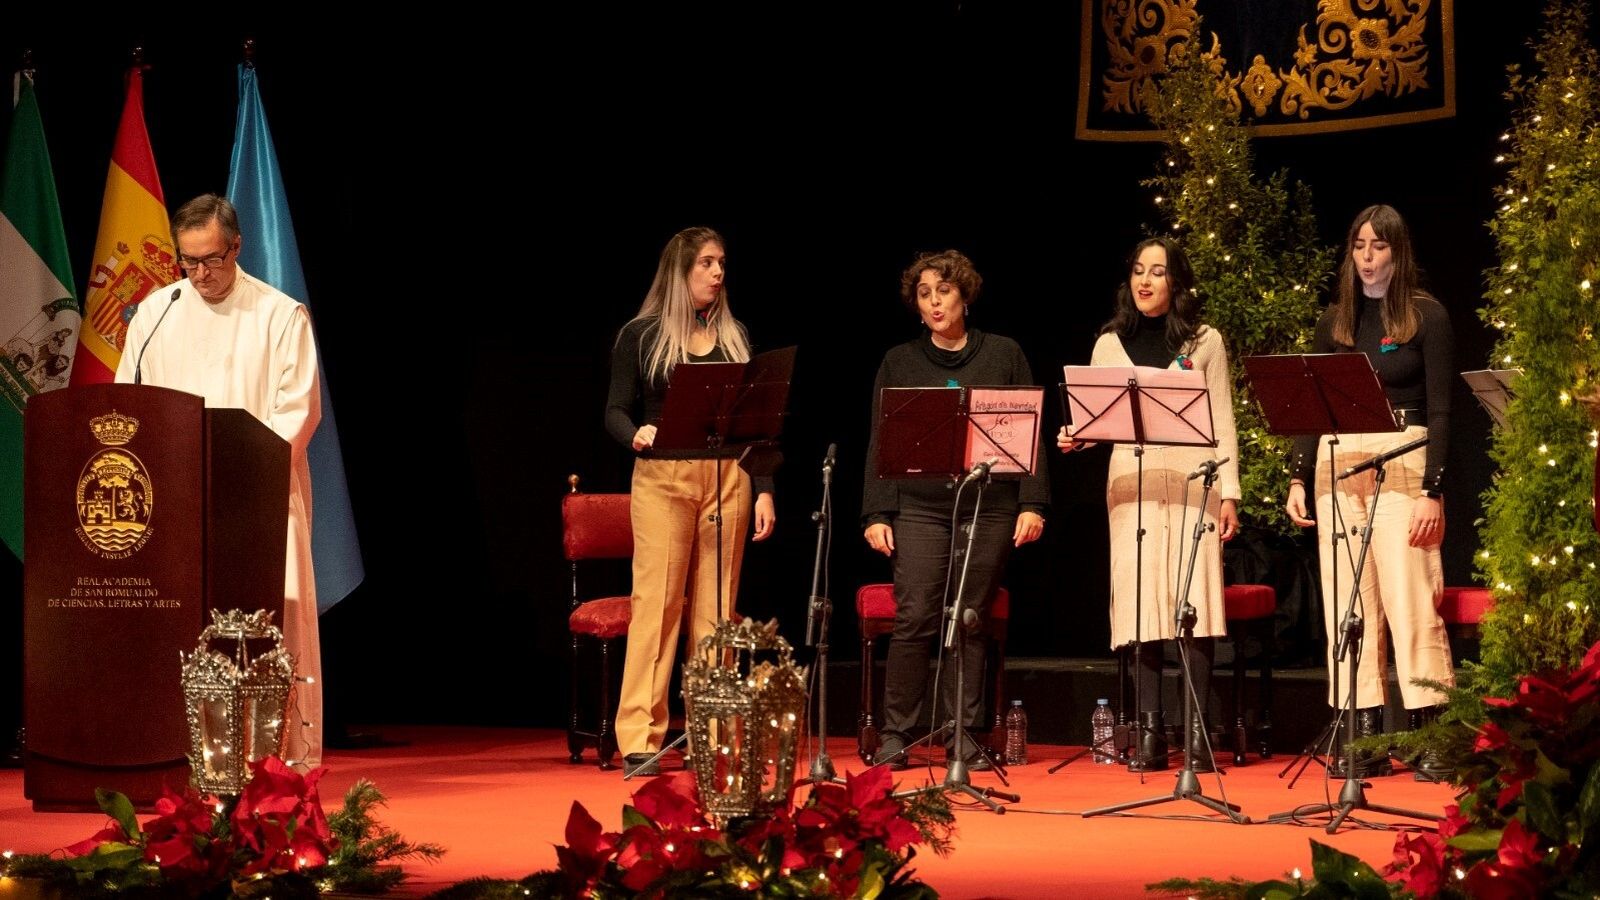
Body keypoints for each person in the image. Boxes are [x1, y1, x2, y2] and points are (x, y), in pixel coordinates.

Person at [116, 193, 324, 766]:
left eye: (211, 259)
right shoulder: (155, 315)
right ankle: (173, 756)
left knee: (268, 627)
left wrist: (241, 474)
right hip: (174, 506)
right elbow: (130, 403)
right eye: (188, 261)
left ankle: (277, 762)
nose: (200, 274)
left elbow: (298, 411)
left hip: (259, 501)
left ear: (236, 247)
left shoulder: (279, 315)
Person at [1284, 204, 1454, 780]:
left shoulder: (1427, 315)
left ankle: (1431, 731)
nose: (1367, 257)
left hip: (1402, 458)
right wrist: (1298, 475)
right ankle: (1364, 736)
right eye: (1359, 246)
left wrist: (1433, 490)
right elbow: (1310, 406)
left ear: (1397, 253)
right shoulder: (1335, 320)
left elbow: (1441, 410)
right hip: (1339, 464)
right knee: (1348, 602)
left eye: (1378, 246)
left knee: (1410, 598)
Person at [1058, 236, 1240, 772]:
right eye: (1139, 270)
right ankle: (1152, 735)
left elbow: (1223, 418)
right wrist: (1077, 437)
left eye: (1157, 272)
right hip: (1131, 485)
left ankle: (1198, 734)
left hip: (1192, 480)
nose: (1145, 280)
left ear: (1175, 281)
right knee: (1140, 605)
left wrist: (1230, 492)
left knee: (1194, 601)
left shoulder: (1205, 341)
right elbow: (1100, 420)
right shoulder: (1109, 344)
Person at [862, 249, 1047, 771]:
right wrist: (877, 513)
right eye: (924, 294)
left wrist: (1032, 502)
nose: (934, 302)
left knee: (968, 618)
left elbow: (1029, 432)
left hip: (988, 505)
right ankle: (896, 733)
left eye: (943, 290)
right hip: (920, 506)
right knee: (916, 616)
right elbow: (880, 440)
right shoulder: (899, 361)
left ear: (964, 295)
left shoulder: (1004, 354)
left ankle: (961, 735)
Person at [605, 226, 776, 778]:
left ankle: (712, 731)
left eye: (721, 262)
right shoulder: (642, 334)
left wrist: (765, 488)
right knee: (657, 605)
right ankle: (640, 736)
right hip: (665, 476)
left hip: (728, 477)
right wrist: (636, 433)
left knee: (717, 612)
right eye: (706, 262)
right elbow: (615, 410)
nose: (718, 272)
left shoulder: (734, 336)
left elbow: (756, 423)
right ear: (680, 271)